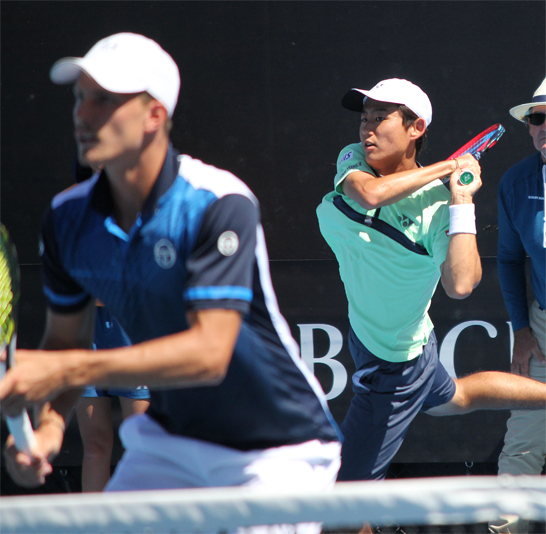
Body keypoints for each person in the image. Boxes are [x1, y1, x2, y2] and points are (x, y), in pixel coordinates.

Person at [1, 33, 340, 532]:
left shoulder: (219, 202)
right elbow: (67, 338)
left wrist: (64, 369)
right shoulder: (66, 219)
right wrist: (48, 428)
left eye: (104, 100)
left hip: (275, 448)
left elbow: (209, 353)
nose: (83, 114)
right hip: (170, 439)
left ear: (154, 115)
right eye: (80, 98)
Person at [316, 78, 546, 483]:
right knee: (457, 397)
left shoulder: (438, 208)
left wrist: (460, 199)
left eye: (380, 117)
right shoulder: (353, 159)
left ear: (416, 128)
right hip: (374, 337)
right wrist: (450, 167)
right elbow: (370, 196)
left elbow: (461, 284)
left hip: (394, 365)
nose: (367, 128)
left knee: (344, 501)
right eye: (364, 117)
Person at [489, 78, 546, 534]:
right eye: (537, 118)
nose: (544, 126)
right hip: (542, 327)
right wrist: (521, 328)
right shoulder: (516, 181)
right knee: (523, 447)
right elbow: (508, 259)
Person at [73, 159, 151, 493]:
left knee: (144, 449)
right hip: (86, 338)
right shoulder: (72, 213)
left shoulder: (147, 208)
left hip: (133, 337)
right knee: (95, 446)